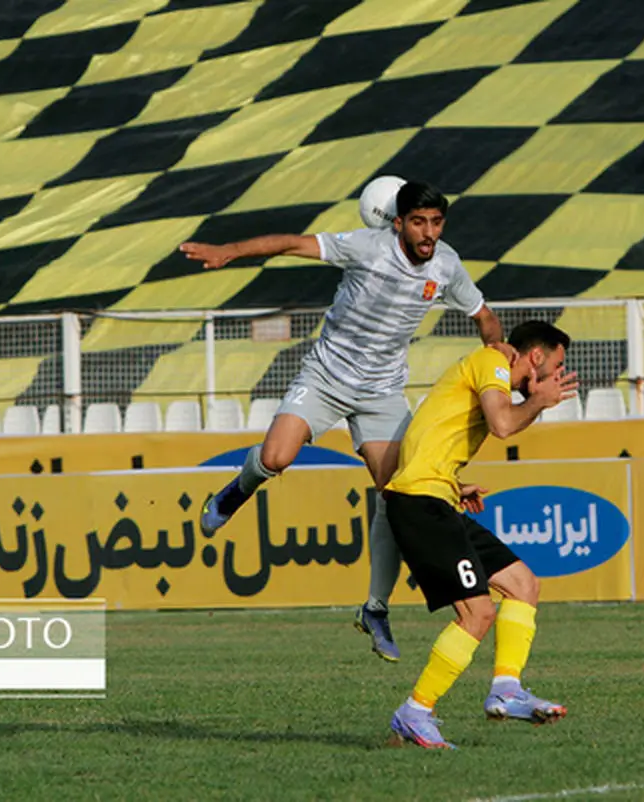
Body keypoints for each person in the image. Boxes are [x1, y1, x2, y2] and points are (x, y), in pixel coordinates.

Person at [179, 182, 508, 661]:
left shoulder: (447, 266)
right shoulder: (366, 248)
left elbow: (484, 316)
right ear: (397, 222)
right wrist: (228, 251)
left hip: (382, 392)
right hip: (327, 375)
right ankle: (235, 491)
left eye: (436, 223)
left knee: (398, 494)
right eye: (419, 222)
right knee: (276, 457)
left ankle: (375, 607)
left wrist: (499, 362)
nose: (429, 232)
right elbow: (291, 243)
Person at [383, 320, 578, 749]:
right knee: (478, 613)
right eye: (555, 366)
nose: (554, 378)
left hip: (438, 496)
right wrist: (541, 402)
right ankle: (415, 712)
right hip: (418, 501)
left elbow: (436, 436)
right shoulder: (491, 360)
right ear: (536, 356)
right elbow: (503, 424)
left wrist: (454, 483)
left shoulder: (493, 369)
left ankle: (506, 689)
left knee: (523, 584)